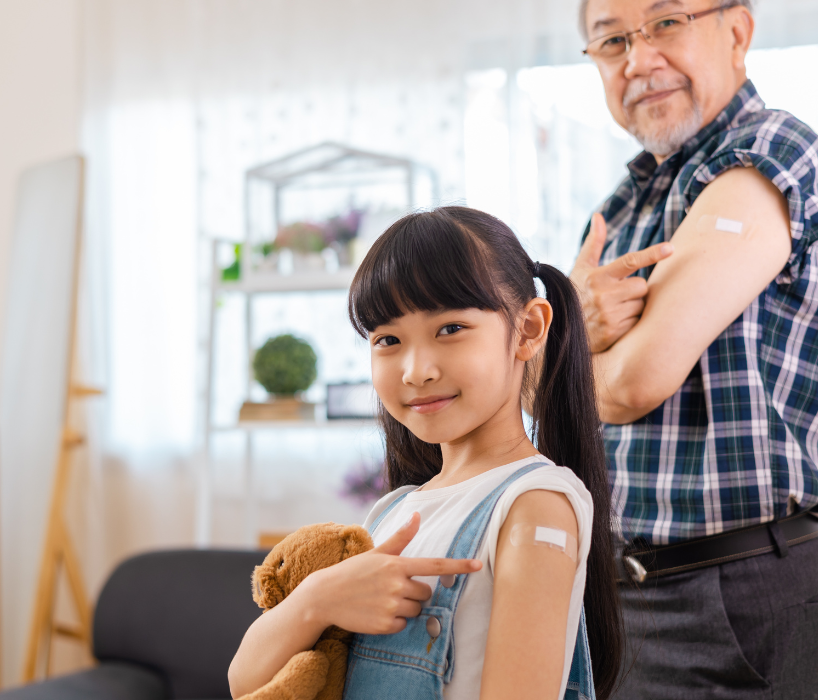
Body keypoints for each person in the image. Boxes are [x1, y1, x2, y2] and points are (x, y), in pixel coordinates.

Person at [570, 0, 818, 697]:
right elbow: (553, 387)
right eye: (611, 42)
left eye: (665, 23)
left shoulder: (772, 153)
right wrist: (566, 349)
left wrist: (562, 345)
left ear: (737, 32)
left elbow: (634, 382)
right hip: (618, 596)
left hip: (732, 597)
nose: (638, 60)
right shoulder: (623, 203)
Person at [228, 207, 623, 700]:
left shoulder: (535, 503)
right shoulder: (392, 511)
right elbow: (244, 680)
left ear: (528, 329)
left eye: (450, 328)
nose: (416, 370)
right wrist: (317, 599)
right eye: (388, 340)